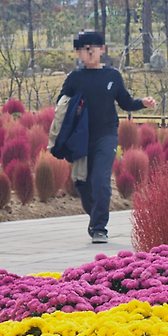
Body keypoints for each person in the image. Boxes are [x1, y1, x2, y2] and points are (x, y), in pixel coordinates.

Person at [56, 30, 156, 243]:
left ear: (102, 49)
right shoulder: (75, 78)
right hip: (81, 138)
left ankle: (100, 227)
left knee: (101, 180)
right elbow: (61, 104)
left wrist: (142, 103)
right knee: (82, 184)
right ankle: (95, 217)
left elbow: (126, 103)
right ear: (78, 53)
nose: (90, 51)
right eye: (85, 48)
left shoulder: (112, 76)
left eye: (94, 47)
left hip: (106, 135)